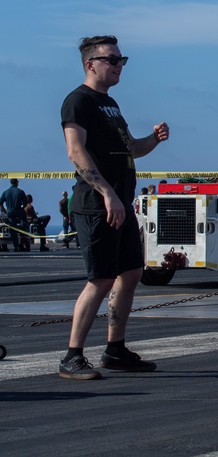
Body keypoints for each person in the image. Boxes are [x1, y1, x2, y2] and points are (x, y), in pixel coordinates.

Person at [59, 35, 170, 380]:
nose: (118, 65)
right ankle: (72, 356)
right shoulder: (78, 101)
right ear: (91, 64)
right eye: (111, 59)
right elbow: (76, 152)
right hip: (97, 205)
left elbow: (131, 149)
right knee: (101, 279)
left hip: (120, 203)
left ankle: (115, 349)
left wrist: (153, 139)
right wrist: (107, 193)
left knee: (131, 274)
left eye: (122, 60)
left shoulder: (110, 105)